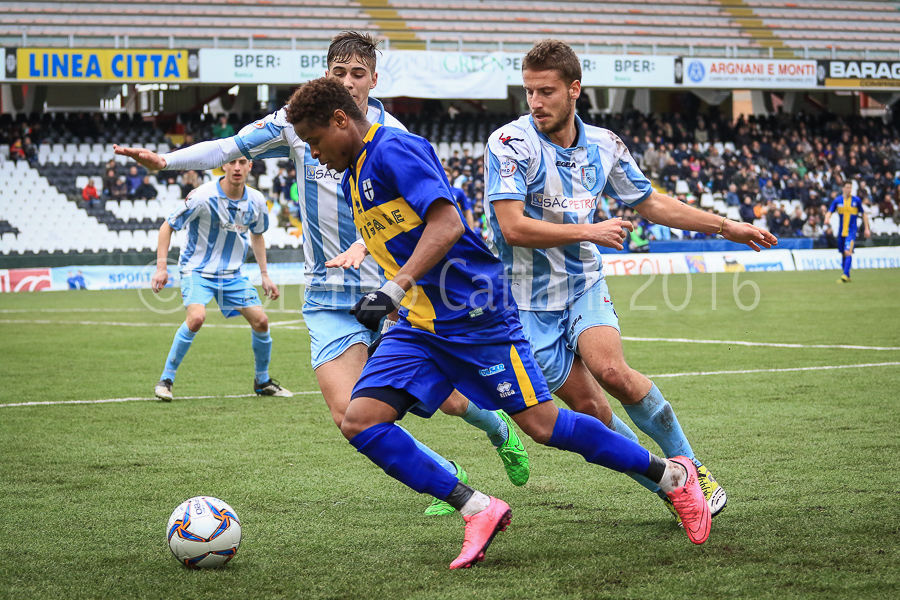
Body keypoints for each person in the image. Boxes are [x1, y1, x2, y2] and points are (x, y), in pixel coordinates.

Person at [285, 76, 712, 569]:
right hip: (420, 325)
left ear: (341, 119)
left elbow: (448, 224)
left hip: (475, 315)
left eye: (315, 140)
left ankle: (672, 476)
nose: (314, 153)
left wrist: (395, 287)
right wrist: (396, 292)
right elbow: (400, 237)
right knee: (360, 421)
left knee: (543, 426)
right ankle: (476, 507)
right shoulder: (352, 174)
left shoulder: (395, 149)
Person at [115, 31, 529, 516]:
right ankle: (451, 479)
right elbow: (229, 146)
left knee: (448, 401)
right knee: (349, 413)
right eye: (339, 72)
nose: (349, 82)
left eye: (358, 74)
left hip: (390, 291)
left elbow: (418, 215)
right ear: (325, 74)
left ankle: (499, 430)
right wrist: (166, 161)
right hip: (327, 296)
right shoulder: (297, 123)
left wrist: (363, 244)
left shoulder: (394, 136)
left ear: (374, 80)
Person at [484, 40, 777, 524]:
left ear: (574, 89)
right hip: (525, 301)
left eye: (546, 91)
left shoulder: (604, 145)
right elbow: (512, 227)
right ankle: (670, 487)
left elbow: (651, 202)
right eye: (529, 91)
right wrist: (589, 231)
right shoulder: (510, 143)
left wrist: (726, 226)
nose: (535, 102)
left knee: (613, 371)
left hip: (582, 282)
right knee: (593, 412)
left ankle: (694, 470)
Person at [149, 156, 292, 402]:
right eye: (232, 162)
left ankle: (262, 381)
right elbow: (167, 226)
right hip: (197, 271)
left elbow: (257, 235)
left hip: (231, 276)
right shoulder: (202, 196)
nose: (237, 167)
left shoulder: (257, 201)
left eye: (243, 162)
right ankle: (166, 380)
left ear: (250, 166)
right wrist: (161, 268)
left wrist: (264, 275)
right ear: (223, 165)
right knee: (196, 318)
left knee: (261, 322)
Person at [825, 180, 871, 283]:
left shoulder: (856, 200)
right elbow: (830, 211)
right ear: (843, 188)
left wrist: (867, 228)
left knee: (847, 251)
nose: (849, 189)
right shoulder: (838, 200)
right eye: (847, 187)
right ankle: (847, 275)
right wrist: (827, 218)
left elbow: (864, 214)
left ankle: (845, 275)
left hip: (851, 231)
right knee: (843, 253)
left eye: (850, 187)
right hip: (841, 231)